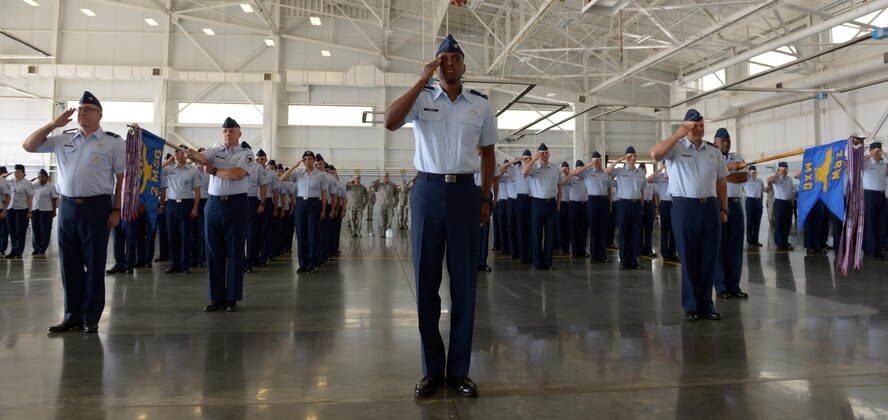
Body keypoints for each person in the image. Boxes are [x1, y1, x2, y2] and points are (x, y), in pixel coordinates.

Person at [383, 33, 496, 399]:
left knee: (464, 285)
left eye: (455, 58)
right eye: (442, 58)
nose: (449, 62)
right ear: (435, 65)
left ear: (464, 66)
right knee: (426, 284)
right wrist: (420, 80)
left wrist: (485, 198)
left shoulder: (480, 105)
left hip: (465, 193)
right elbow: (389, 121)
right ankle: (432, 370)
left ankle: (459, 371)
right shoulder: (422, 100)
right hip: (428, 192)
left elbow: (489, 155)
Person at [24, 91, 126, 333]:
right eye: (80, 109)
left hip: (98, 207)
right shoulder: (62, 138)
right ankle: (72, 316)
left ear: (100, 114)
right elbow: (28, 146)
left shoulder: (113, 142)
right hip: (67, 207)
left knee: (94, 262)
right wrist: (52, 124)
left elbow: (122, 178)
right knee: (69, 264)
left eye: (88, 109)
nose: (83, 113)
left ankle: (90, 317)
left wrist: (117, 209)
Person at [649, 108, 728, 322]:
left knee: (709, 258)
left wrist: (723, 208)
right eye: (694, 126)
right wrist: (677, 135)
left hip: (710, 207)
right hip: (685, 208)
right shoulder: (675, 148)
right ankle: (691, 305)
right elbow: (655, 154)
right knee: (690, 257)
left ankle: (706, 305)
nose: (698, 129)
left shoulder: (713, 151)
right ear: (685, 127)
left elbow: (721, 180)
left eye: (701, 125)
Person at [187, 117, 256, 312]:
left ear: (239, 133)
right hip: (214, 204)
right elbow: (200, 158)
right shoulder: (215, 150)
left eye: (232, 131)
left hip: (237, 204)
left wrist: (214, 170)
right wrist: (192, 154)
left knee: (234, 251)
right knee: (213, 251)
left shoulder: (246, 153)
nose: (228, 134)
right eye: (225, 131)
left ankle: (232, 297)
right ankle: (216, 297)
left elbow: (237, 174)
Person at [713, 128, 749, 300]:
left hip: (736, 205)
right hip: (719, 206)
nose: (725, 143)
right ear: (715, 141)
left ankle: (734, 286)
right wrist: (727, 170)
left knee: (735, 248)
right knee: (719, 247)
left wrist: (722, 176)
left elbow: (744, 177)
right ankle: (721, 286)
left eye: (727, 140)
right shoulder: (711, 157)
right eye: (722, 141)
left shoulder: (737, 158)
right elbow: (710, 177)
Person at [281, 151, 328, 273]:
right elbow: (282, 178)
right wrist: (294, 166)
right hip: (301, 204)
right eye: (305, 159)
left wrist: (323, 210)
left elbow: (323, 193)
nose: (308, 161)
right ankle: (302, 264)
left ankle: (311, 264)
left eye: (310, 159)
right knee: (301, 234)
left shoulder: (320, 175)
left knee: (312, 234)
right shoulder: (298, 174)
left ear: (314, 161)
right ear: (303, 161)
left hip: (314, 204)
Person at [161, 148, 202, 274]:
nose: (179, 155)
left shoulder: (192, 170)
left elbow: (197, 191)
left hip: (186, 203)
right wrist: (168, 161)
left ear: (186, 155)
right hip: (172, 204)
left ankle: (185, 265)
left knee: (185, 235)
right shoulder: (169, 169)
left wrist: (195, 208)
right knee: (172, 235)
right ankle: (174, 264)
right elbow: (155, 169)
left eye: (182, 153)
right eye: (177, 152)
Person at [605, 147, 645, 270]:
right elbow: (606, 171)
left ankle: (633, 260)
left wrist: (642, 206)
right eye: (630, 156)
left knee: (636, 233)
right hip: (624, 204)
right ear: (626, 158)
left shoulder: (640, 174)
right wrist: (620, 160)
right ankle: (624, 260)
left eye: (634, 155)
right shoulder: (620, 171)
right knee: (624, 232)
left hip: (636, 204)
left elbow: (642, 190)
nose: (633, 158)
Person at [523, 144, 561, 271]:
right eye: (542, 153)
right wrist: (533, 159)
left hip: (551, 203)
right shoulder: (533, 168)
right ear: (538, 154)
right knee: (537, 233)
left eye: (546, 153)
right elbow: (524, 173)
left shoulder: (555, 168)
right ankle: (537, 262)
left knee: (550, 233)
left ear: (549, 154)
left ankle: (548, 262)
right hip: (537, 203)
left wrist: (558, 203)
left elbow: (560, 185)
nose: (544, 155)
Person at [573, 151, 612, 263]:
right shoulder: (587, 172)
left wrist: (609, 204)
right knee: (594, 228)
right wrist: (589, 164)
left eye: (600, 160)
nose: (599, 162)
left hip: (604, 201)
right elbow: (575, 173)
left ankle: (602, 255)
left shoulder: (606, 174)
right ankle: (594, 255)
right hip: (593, 201)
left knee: (603, 229)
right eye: (597, 160)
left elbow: (609, 190)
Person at [243, 142, 268, 273]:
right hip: (236, 201)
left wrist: (262, 203)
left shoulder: (257, 167)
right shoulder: (234, 166)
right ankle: (239, 261)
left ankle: (250, 262)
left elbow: (263, 186)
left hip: (252, 201)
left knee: (251, 232)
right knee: (237, 233)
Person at [862, 142, 888, 259]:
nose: (878, 152)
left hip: (882, 195)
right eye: (876, 150)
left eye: (880, 150)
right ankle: (871, 250)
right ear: (871, 151)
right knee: (871, 223)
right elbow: (856, 164)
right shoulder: (866, 163)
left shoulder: (884, 164)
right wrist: (869, 156)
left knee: (881, 223)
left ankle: (879, 249)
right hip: (869, 195)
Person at [648, 163, 678, 261]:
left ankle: (673, 253)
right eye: (666, 163)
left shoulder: (676, 174)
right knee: (664, 230)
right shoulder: (660, 177)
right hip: (664, 204)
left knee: (674, 230)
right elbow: (648, 179)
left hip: (675, 203)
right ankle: (665, 253)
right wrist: (660, 169)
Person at [5, 164, 34, 259]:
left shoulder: (27, 183)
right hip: (10, 209)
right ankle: (13, 250)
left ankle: (19, 251)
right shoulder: (10, 182)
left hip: (22, 209)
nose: (16, 174)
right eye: (15, 172)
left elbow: (30, 198)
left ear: (23, 173)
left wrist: (30, 211)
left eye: (18, 172)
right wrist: (5, 175)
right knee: (12, 230)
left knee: (20, 231)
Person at [767, 162, 795, 251]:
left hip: (788, 203)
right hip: (779, 203)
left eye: (786, 168)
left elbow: (791, 191)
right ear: (779, 169)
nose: (785, 170)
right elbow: (768, 181)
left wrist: (792, 201)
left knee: (787, 224)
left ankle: (785, 242)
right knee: (779, 223)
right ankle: (779, 243)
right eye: (783, 169)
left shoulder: (789, 179)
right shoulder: (776, 179)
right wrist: (778, 174)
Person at [30, 169, 58, 256]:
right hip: (35, 210)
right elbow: (28, 191)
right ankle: (36, 248)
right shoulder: (34, 185)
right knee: (35, 229)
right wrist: (32, 180)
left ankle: (42, 248)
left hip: (46, 211)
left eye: (43, 176)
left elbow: (54, 199)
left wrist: (54, 211)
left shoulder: (51, 186)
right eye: (40, 176)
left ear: (47, 177)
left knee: (44, 230)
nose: (41, 178)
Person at [566, 160, 589, 258]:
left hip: (585, 206)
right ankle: (575, 251)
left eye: (581, 169)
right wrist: (571, 175)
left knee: (584, 229)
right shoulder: (572, 180)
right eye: (577, 169)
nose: (579, 171)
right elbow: (562, 182)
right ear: (575, 169)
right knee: (574, 228)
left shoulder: (587, 179)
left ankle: (582, 251)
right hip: (574, 205)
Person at [742, 165, 764, 247]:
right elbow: (741, 188)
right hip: (750, 201)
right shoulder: (746, 181)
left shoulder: (760, 181)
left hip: (758, 201)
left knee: (757, 222)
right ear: (749, 172)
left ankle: (755, 240)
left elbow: (761, 193)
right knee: (749, 221)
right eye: (752, 172)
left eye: (755, 172)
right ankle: (749, 240)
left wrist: (761, 203)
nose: (754, 173)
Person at [371, 172, 397, 237]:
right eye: (384, 177)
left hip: (390, 204)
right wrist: (378, 179)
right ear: (383, 177)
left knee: (389, 218)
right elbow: (372, 185)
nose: (385, 178)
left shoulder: (393, 185)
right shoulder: (379, 185)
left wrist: (396, 203)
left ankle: (387, 231)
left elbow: (396, 195)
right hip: (381, 204)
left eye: (387, 176)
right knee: (382, 219)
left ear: (389, 177)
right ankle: (383, 231)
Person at [639, 163, 657, 258]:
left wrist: (655, 207)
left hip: (649, 204)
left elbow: (654, 195)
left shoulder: (651, 182)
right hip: (640, 205)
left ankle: (648, 250)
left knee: (649, 229)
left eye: (644, 169)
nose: (642, 171)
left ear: (646, 171)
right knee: (640, 228)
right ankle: (640, 249)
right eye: (641, 169)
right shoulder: (637, 181)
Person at [557, 161, 572, 254]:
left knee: (568, 227)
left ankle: (566, 247)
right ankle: (561, 246)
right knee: (560, 226)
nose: (567, 170)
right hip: (560, 204)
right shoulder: (559, 178)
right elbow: (562, 182)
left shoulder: (570, 178)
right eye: (565, 169)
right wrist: (567, 174)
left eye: (568, 169)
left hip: (568, 204)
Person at [0, 167, 10, 257]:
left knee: (3, 229)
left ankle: (2, 248)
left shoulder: (3, 182)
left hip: (1, 206)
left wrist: (4, 210)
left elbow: (7, 196)